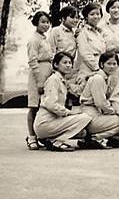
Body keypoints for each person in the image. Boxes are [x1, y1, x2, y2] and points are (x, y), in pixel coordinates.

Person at [33, 52, 92, 152]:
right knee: (85, 117)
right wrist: (69, 113)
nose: (68, 65)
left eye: (70, 63)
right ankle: (57, 142)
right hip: (45, 123)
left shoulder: (62, 80)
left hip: (53, 122)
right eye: (65, 62)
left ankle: (50, 139)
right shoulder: (54, 80)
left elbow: (77, 92)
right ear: (56, 65)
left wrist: (86, 79)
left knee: (82, 132)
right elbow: (50, 104)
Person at [79, 52, 119, 149]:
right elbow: (101, 103)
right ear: (102, 64)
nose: (112, 66)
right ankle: (94, 138)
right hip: (90, 114)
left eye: (114, 64)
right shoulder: (98, 78)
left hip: (98, 113)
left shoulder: (107, 78)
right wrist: (115, 112)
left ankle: (96, 138)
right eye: (109, 64)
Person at [26, 11, 53, 150]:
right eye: (42, 22)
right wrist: (39, 81)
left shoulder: (44, 39)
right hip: (38, 74)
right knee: (34, 106)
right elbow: (32, 61)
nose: (45, 25)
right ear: (36, 22)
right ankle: (31, 136)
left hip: (47, 72)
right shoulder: (33, 40)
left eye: (47, 22)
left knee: (44, 106)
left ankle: (41, 135)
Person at [74, 3, 107, 95]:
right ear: (86, 17)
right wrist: (96, 68)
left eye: (98, 14)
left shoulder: (99, 33)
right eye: (92, 14)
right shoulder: (83, 32)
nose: (95, 16)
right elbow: (85, 53)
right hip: (88, 67)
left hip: (100, 65)